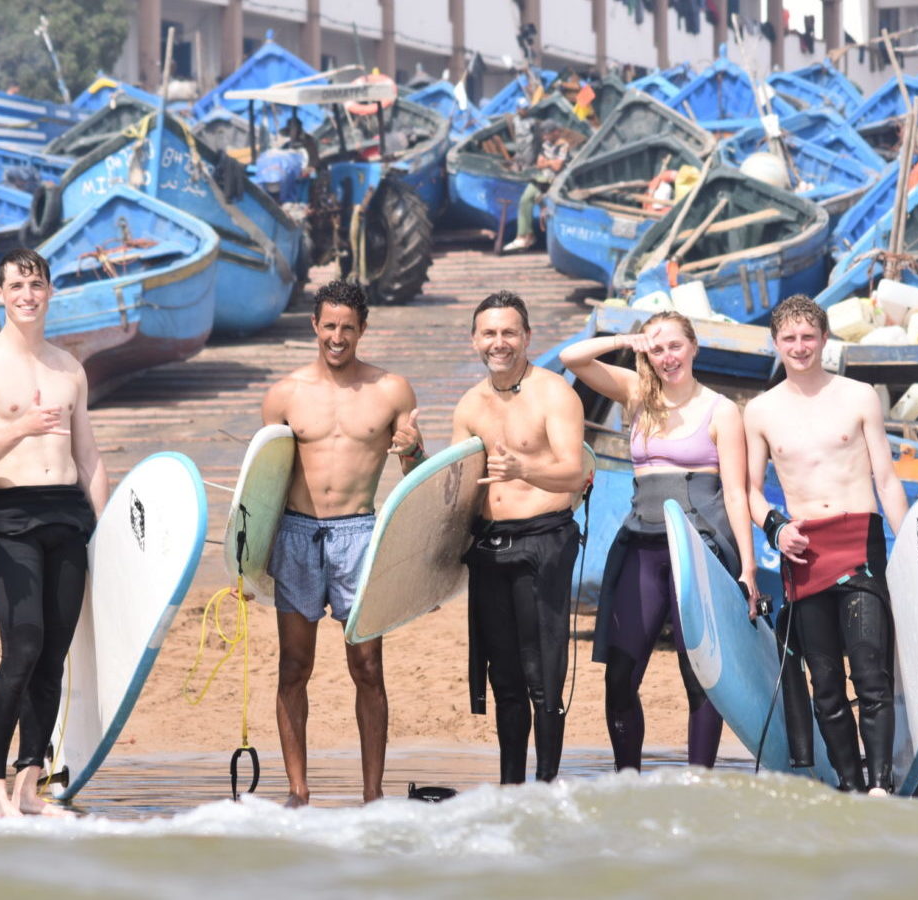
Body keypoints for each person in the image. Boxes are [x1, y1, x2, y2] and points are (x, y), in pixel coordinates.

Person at [559, 311, 757, 772]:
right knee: (621, 676)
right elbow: (573, 357)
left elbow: (735, 492)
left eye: (675, 346)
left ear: (693, 347)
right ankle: (627, 777)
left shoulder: (721, 410)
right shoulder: (637, 394)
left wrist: (747, 568)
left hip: (699, 551)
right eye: (657, 348)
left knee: (700, 676)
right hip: (640, 546)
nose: (667, 357)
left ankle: (699, 779)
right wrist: (629, 340)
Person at [0, 248, 109, 818]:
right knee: (23, 645)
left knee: (53, 657)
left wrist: (105, 532)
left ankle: (29, 785)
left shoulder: (69, 368)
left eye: (36, 284)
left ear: (49, 291)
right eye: (16, 285)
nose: (27, 294)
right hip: (10, 515)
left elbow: (88, 456)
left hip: (68, 515)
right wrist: (19, 428)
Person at [260, 279, 422, 807]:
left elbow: (416, 473)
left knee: (368, 667)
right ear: (314, 325)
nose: (337, 337)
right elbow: (262, 483)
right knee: (294, 666)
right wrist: (248, 562)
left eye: (347, 327)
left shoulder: (391, 390)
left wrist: (414, 450)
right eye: (329, 325)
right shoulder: (283, 394)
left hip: (359, 532)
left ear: (362, 330)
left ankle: (372, 794)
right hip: (296, 531)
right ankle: (298, 791)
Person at [744, 294, 908, 795]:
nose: (800, 347)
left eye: (808, 337)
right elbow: (749, 490)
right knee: (826, 684)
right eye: (789, 338)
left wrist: (911, 546)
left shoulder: (859, 396)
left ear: (824, 339)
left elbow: (886, 476)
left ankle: (880, 785)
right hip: (803, 550)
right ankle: (850, 783)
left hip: (859, 539)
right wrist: (775, 527)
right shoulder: (760, 411)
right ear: (776, 343)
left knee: (870, 670)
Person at [451, 291, 588, 783]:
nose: (499, 342)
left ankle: (547, 785)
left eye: (509, 332)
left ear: (528, 337)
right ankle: (511, 788)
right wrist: (410, 457)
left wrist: (523, 466)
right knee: (504, 679)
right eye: (489, 333)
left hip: (544, 543)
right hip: (490, 549)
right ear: (474, 340)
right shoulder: (470, 405)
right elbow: (454, 488)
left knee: (542, 678)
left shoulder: (555, 393)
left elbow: (574, 473)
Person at [502, 124, 578, 253]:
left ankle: (555, 242)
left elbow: (558, 167)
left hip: (556, 181)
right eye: (544, 134)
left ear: (556, 132)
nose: (545, 137)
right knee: (525, 199)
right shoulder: (545, 145)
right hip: (542, 178)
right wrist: (550, 162)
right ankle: (524, 235)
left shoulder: (563, 146)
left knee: (547, 206)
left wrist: (547, 163)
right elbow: (539, 164)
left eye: (547, 134)